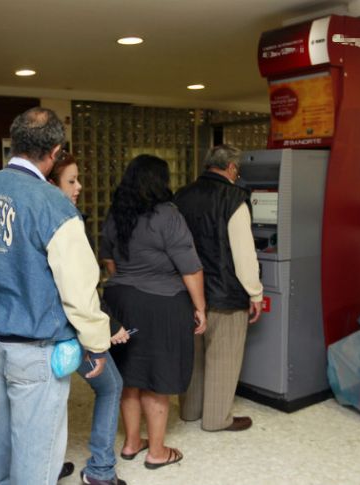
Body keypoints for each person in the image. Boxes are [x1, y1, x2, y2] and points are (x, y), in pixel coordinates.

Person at [0, 107, 112, 485]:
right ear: (55, 152)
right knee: (37, 459)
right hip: (35, 349)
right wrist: (96, 343)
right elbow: (78, 287)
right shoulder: (54, 205)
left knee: (0, 450)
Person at [100, 154, 207, 470]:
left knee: (129, 374)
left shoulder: (117, 214)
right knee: (157, 376)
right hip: (161, 305)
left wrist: (131, 280)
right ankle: (157, 451)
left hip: (120, 301)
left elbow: (109, 261)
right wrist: (200, 307)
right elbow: (190, 267)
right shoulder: (167, 215)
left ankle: (132, 442)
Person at [48, 153, 126, 485]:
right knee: (111, 386)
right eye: (71, 180)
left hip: (38, 328)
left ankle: (47, 466)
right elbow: (80, 289)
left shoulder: (35, 217)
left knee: (47, 399)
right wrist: (101, 335)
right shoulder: (66, 223)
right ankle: (101, 470)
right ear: (51, 184)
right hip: (70, 328)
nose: (79, 186)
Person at [174, 144, 263, 432]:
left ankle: (190, 410)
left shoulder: (182, 195)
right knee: (223, 356)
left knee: (194, 355)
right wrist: (255, 292)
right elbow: (243, 253)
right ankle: (216, 419)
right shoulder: (234, 198)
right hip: (225, 294)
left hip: (188, 291)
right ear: (232, 168)